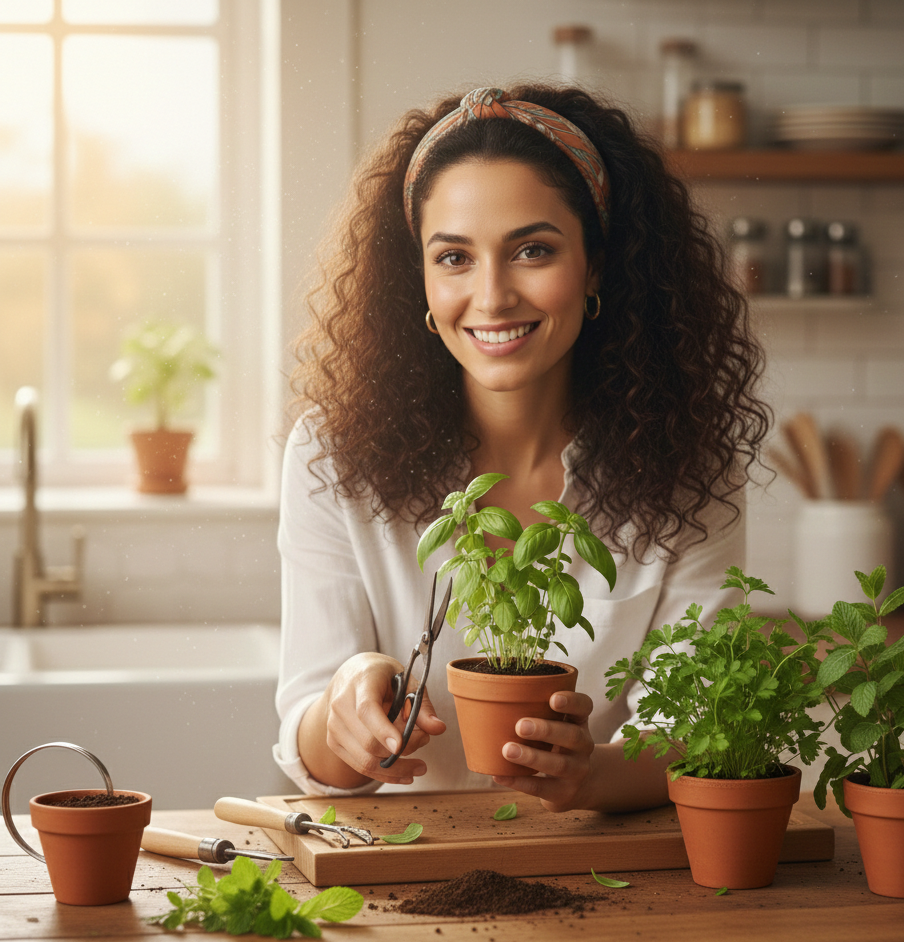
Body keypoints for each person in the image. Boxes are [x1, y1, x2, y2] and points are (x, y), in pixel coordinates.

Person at [274, 85, 769, 814]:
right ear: (417, 274)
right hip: (400, 885)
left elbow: (698, 729)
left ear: (597, 264)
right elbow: (310, 746)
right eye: (454, 258)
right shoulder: (331, 452)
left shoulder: (689, 466)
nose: (493, 295)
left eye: (532, 250)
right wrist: (345, 708)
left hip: (608, 878)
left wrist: (594, 773)